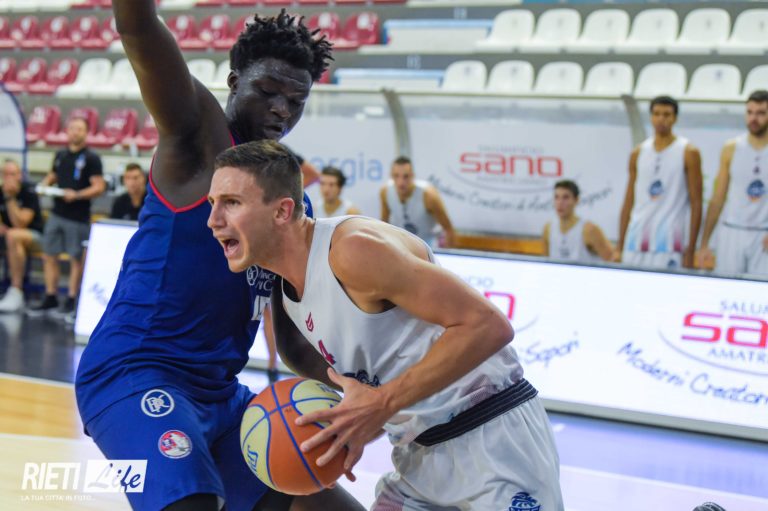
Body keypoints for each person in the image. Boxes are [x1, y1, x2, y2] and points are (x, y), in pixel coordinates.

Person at [74, 3, 361, 511]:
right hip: (136, 374)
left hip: (221, 396)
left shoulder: (293, 203)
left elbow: (294, 344)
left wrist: (363, 390)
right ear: (233, 82)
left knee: (329, 506)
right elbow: (137, 27)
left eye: (296, 100)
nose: (281, 110)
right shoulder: (197, 138)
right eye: (267, 92)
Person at [208, 140, 564, 511]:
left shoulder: (351, 250)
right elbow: (395, 371)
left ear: (282, 211)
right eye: (212, 203)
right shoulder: (289, 295)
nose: (213, 220)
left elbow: (488, 326)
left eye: (231, 203)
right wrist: (353, 425)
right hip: (418, 456)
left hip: (491, 439)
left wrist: (382, 403)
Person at [28, 117, 106, 317]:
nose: (74, 132)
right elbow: (53, 175)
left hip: (77, 216)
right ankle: (51, 295)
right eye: (72, 128)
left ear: (86, 133)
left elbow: (99, 186)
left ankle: (72, 298)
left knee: (75, 259)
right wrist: (44, 185)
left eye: (79, 129)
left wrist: (77, 194)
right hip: (57, 212)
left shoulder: (91, 158)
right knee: (49, 255)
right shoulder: (60, 154)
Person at [617, 96, 703, 270]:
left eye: (666, 114)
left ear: (675, 118)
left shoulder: (688, 152)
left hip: (669, 243)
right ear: (651, 117)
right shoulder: (638, 153)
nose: (661, 119)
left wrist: (691, 250)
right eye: (656, 114)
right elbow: (629, 200)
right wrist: (620, 245)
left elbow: (696, 202)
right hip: (635, 239)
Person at [698, 90, 768, 275]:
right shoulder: (731, 148)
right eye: (750, 112)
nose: (754, 118)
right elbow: (718, 198)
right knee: (726, 287)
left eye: (761, 113)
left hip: (763, 234)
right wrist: (704, 243)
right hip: (732, 232)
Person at [380, 156, 455, 248]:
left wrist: (448, 252)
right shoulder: (385, 192)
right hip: (401, 244)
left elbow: (448, 229)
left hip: (428, 245)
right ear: (391, 176)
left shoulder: (429, 196)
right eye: (396, 176)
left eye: (406, 176)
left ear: (413, 176)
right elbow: (383, 225)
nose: (401, 182)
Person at [0, 159, 44, 313]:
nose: (9, 178)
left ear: (20, 175)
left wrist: (10, 198)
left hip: (35, 236)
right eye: (6, 174)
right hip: (9, 237)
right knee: (11, 236)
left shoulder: (28, 191)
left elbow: (20, 223)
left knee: (13, 236)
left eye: (12, 174)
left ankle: (16, 290)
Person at [542, 180, 614, 263]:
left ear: (576, 200)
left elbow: (611, 260)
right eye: (556, 197)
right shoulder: (548, 228)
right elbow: (546, 261)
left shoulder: (589, 230)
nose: (560, 203)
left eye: (565, 198)